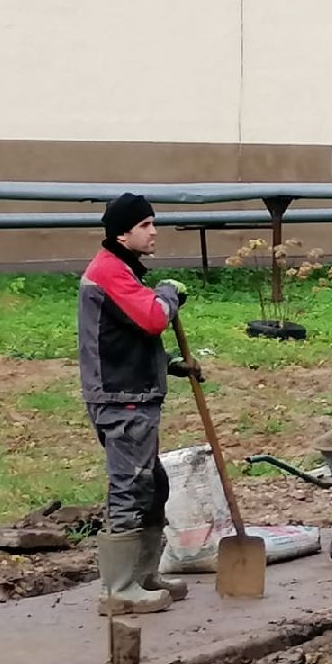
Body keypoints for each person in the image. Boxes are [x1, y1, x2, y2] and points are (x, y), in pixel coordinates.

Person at [79, 193, 203, 615]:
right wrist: (168, 294)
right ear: (122, 232)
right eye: (146, 225)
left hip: (133, 392)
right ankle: (119, 588)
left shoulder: (122, 270)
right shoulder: (109, 272)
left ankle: (144, 575)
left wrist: (167, 365)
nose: (154, 232)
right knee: (130, 488)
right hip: (121, 400)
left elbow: (122, 338)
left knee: (152, 486)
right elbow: (151, 318)